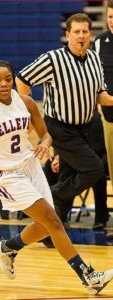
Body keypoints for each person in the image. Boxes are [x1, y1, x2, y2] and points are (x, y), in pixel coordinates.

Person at [0, 59, 113, 295]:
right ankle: (88, 276)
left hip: (31, 167)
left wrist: (44, 144)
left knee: (45, 226)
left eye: (8, 79)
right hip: (8, 175)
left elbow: (45, 134)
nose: (3, 84)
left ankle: (8, 248)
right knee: (54, 222)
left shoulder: (25, 101)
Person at [15, 13, 113, 230]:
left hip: (85, 128)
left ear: (91, 34)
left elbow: (100, 95)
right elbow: (22, 79)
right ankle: (53, 198)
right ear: (68, 35)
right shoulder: (53, 59)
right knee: (94, 170)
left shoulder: (95, 60)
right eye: (76, 32)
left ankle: (51, 231)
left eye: (85, 32)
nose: (81, 36)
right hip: (60, 128)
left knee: (68, 175)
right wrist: (30, 114)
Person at [43, 110, 110, 231]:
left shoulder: (94, 118)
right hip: (71, 155)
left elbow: (99, 147)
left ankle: (101, 217)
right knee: (49, 166)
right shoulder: (60, 119)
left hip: (94, 156)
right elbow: (52, 141)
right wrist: (56, 157)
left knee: (96, 171)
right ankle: (57, 215)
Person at [93, 1, 113, 189]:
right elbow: (96, 75)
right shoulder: (99, 42)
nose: (112, 21)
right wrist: (98, 101)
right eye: (110, 17)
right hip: (109, 115)